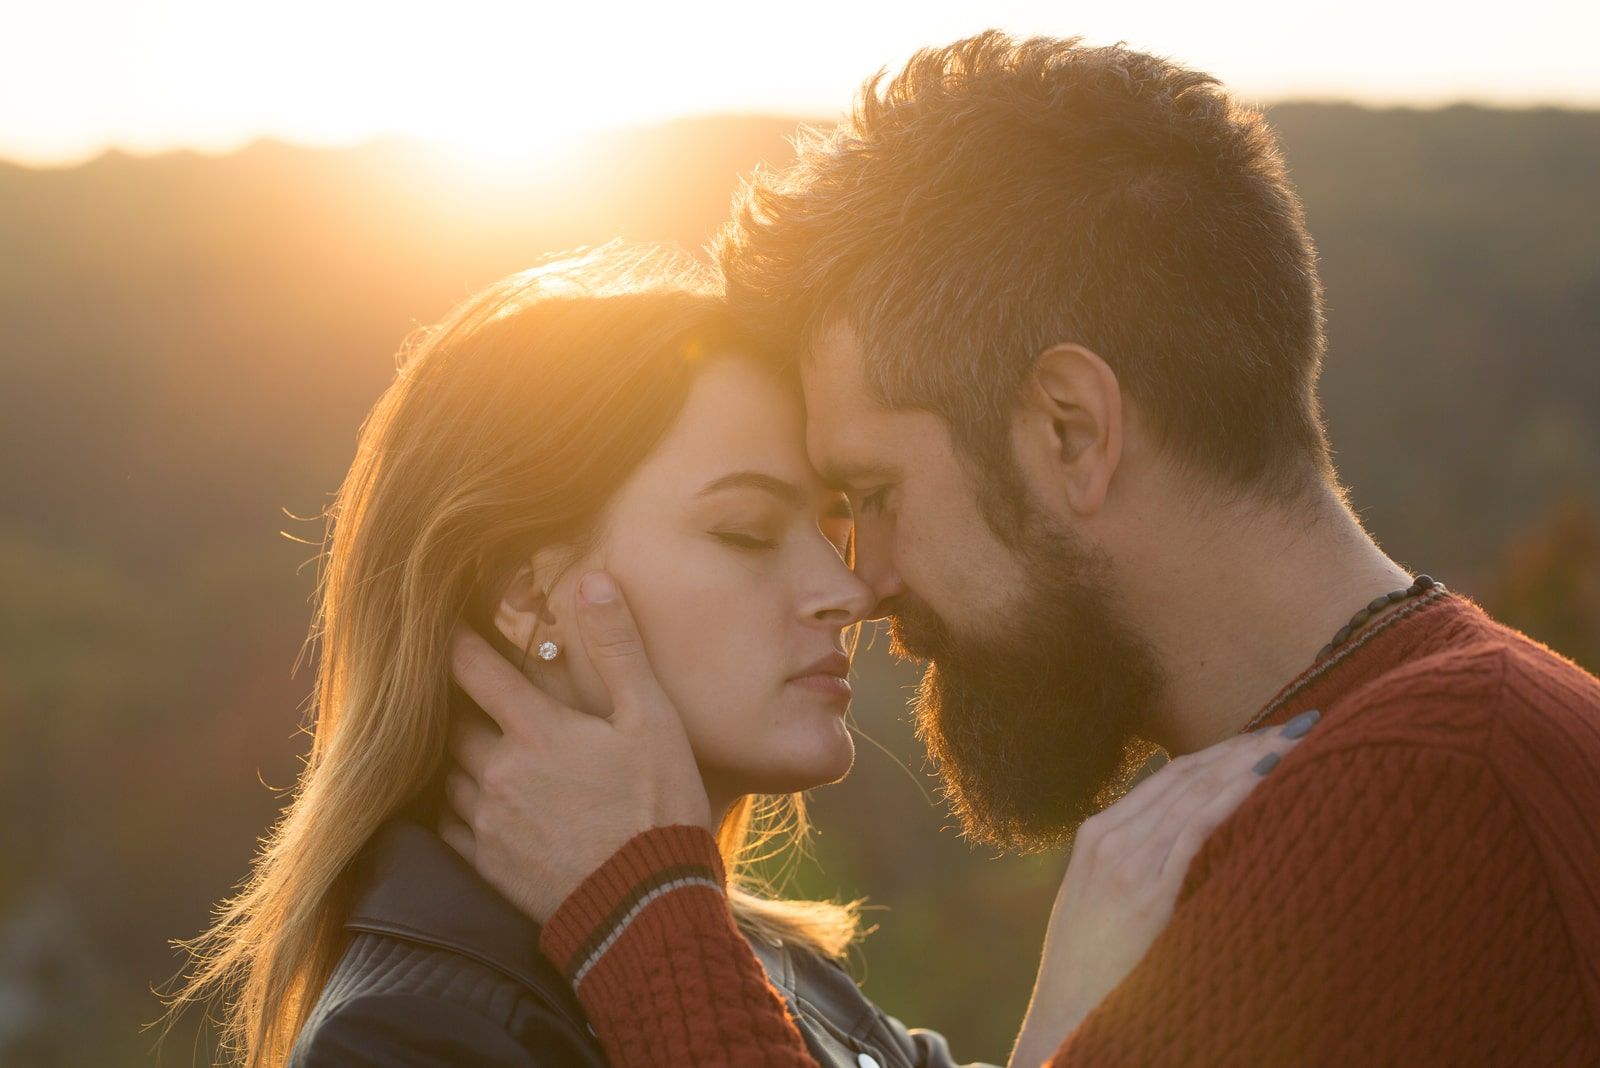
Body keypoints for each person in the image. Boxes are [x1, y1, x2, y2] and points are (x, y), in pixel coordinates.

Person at [442, 31, 1600, 1067]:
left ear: (1069, 430)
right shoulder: (1450, 743)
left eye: (874, 492)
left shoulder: (1403, 820)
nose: (865, 579)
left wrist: (642, 923)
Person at [163, 247, 1298, 1067]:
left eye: (837, 525)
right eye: (745, 532)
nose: (845, 591)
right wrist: (1073, 1020)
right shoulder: (414, 1036)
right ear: (525, 590)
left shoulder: (759, 961)